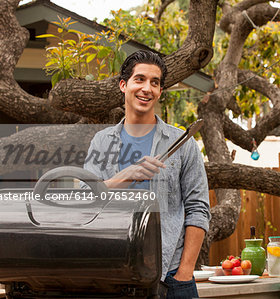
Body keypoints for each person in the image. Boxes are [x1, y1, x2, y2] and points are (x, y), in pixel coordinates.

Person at [83, 50, 211, 298]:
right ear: (123, 85)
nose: (147, 88)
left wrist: (183, 271)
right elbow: (86, 201)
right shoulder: (101, 142)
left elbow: (198, 208)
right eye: (139, 79)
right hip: (114, 275)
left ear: (160, 91)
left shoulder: (182, 142)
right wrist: (127, 175)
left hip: (171, 276)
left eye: (155, 82)